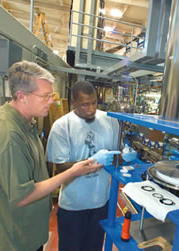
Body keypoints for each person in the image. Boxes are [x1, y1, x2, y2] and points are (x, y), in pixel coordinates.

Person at [0, 61, 102, 251]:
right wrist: (72, 172)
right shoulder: (8, 136)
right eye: (46, 96)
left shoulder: (25, 124)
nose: (52, 101)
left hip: (25, 235)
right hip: (11, 241)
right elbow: (23, 195)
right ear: (22, 96)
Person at [46, 80, 122, 251]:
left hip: (101, 203)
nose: (91, 109)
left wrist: (125, 155)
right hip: (73, 207)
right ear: (74, 103)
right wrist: (93, 161)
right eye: (85, 105)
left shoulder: (110, 121)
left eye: (94, 102)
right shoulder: (62, 126)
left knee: (94, 247)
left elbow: (117, 156)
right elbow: (61, 168)